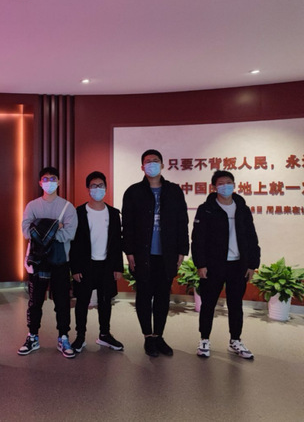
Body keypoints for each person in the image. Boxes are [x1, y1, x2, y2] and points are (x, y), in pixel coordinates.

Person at [122, 149, 189, 357]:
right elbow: (127, 225)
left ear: (162, 165)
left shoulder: (174, 191)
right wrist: (129, 252)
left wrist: (182, 250)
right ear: (142, 167)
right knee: (144, 296)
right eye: (148, 161)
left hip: (167, 254)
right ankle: (148, 337)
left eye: (155, 160)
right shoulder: (133, 192)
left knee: (162, 297)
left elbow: (182, 222)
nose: (152, 164)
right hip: (143, 255)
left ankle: (159, 335)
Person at [192, 170, 260, 359]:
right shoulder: (206, 209)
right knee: (208, 304)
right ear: (214, 187)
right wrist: (200, 264)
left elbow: (252, 238)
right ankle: (204, 339)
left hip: (238, 265)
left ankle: (235, 340)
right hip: (213, 265)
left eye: (228, 182)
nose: (225, 186)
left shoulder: (242, 208)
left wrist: (252, 264)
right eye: (221, 183)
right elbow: (198, 239)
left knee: (236, 305)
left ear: (234, 185)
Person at [17, 167, 78, 359]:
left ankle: (63, 337)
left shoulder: (68, 207)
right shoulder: (32, 205)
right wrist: (55, 226)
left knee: (62, 302)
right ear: (40, 182)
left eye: (53, 179)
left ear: (59, 182)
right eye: (45, 179)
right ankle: (32, 336)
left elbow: (69, 234)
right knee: (35, 302)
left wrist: (40, 227)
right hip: (38, 261)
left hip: (60, 262)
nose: (49, 182)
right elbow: (26, 231)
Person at [70, 171, 124, 353]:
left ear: (106, 188)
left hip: (107, 265)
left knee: (105, 301)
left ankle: (105, 334)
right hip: (86, 265)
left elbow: (117, 243)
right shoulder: (79, 212)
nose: (97, 189)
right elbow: (74, 243)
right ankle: (80, 337)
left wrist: (118, 266)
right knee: (82, 302)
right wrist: (75, 268)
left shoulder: (114, 214)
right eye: (93, 186)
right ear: (88, 189)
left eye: (101, 186)